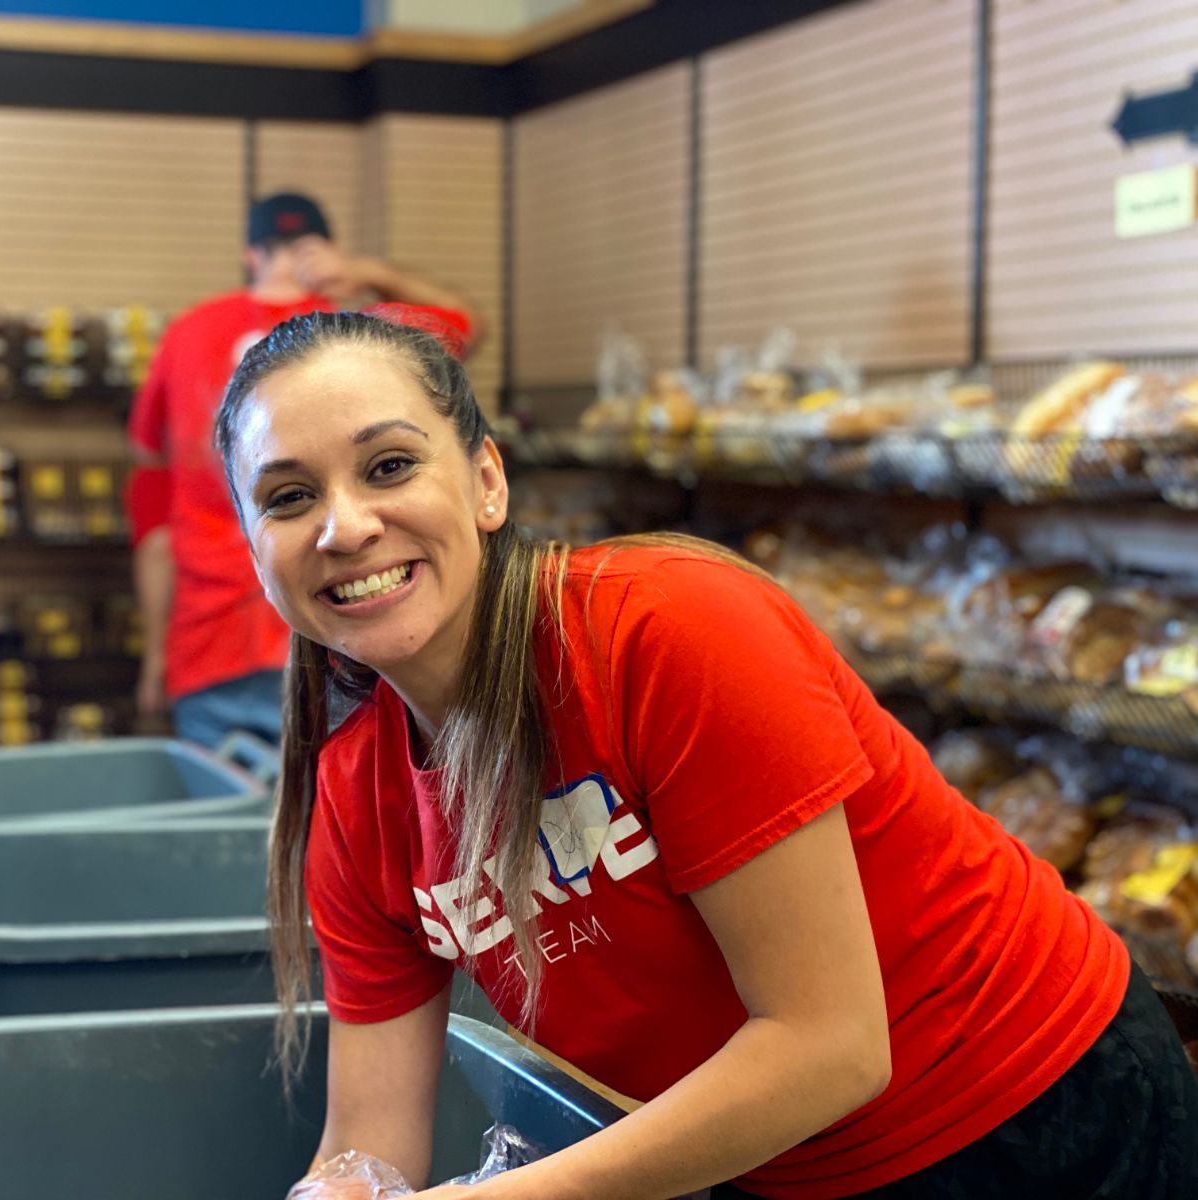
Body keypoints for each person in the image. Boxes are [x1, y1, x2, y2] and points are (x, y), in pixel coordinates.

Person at [211, 310, 1198, 1199]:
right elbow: (370, 1142)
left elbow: (832, 1047)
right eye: (289, 497)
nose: (344, 526)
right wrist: (348, 1189)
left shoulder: (665, 634)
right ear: (255, 550)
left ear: (485, 482)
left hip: (1036, 1110)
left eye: (388, 467)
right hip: (771, 1161)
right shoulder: (353, 798)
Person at [127, 191, 478, 749]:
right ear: (327, 249)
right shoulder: (353, 332)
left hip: (208, 643)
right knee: (341, 822)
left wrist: (154, 660)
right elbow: (463, 324)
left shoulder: (186, 333)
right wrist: (371, 273)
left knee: (230, 828)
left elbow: (155, 524)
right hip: (343, 630)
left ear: (250, 254)